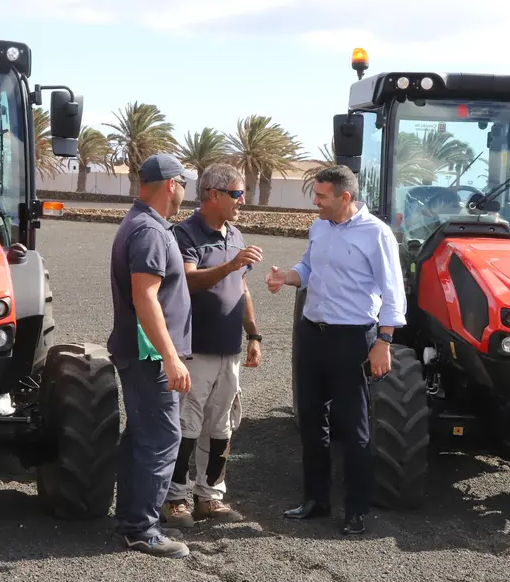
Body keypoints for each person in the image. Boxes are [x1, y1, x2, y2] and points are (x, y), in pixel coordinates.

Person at [265, 165, 406, 536]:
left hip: (353, 339)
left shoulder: (376, 234)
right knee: (311, 421)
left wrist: (384, 342)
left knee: (353, 426)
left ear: (345, 197)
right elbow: (308, 268)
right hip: (313, 334)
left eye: (322, 196)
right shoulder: (320, 227)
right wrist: (287, 277)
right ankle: (316, 499)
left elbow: (393, 293)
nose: (316, 202)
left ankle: (356, 509)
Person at [161, 163, 263, 528]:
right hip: (194, 348)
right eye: (237, 194)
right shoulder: (183, 235)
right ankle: (174, 500)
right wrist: (233, 263)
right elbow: (188, 281)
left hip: (229, 350)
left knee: (221, 427)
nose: (242, 201)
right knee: (187, 424)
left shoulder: (235, 234)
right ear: (212, 195)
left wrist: (253, 335)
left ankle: (210, 496)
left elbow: (243, 288)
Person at [107, 152, 198, 558]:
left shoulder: (145, 225)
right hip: (149, 357)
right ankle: (142, 529)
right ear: (171, 185)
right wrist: (170, 356)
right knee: (162, 438)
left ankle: (130, 518)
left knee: (143, 437)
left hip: (143, 355)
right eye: (183, 183)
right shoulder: (149, 231)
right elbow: (146, 298)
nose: (184, 191)